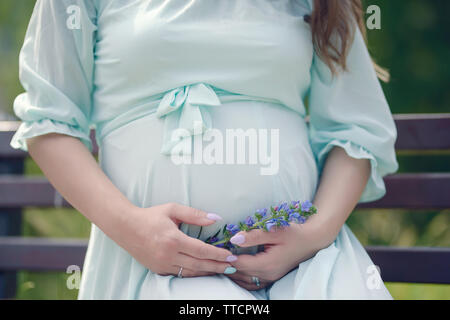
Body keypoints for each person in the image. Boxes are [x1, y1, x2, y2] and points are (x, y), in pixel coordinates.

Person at [10, 0, 398, 299]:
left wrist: (314, 234)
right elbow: (51, 123)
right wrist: (133, 229)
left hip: (306, 264)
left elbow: (356, 129)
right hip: (155, 271)